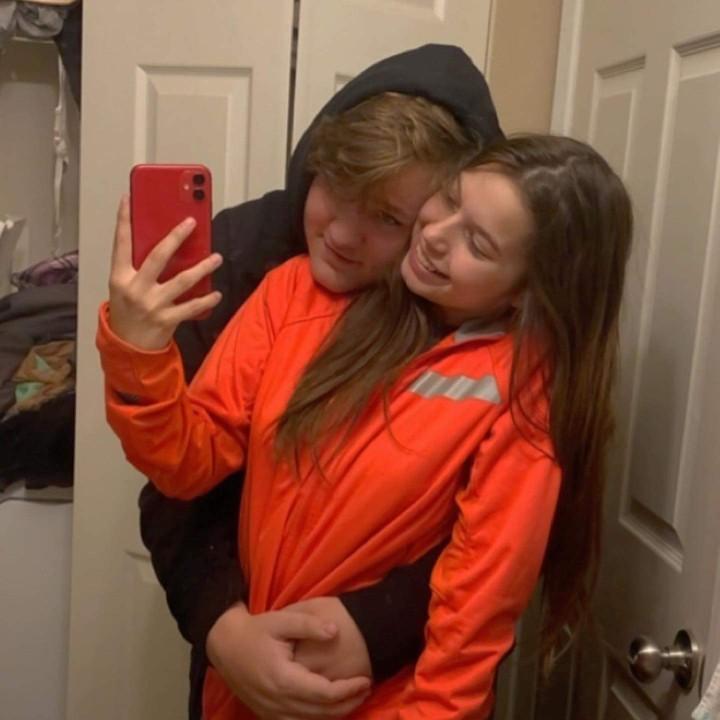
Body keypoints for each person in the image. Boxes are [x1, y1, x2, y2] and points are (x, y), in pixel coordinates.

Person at [98, 133, 634, 718]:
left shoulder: (523, 390)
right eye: (449, 199)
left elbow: (473, 617)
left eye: (477, 243)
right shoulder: (297, 291)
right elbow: (184, 464)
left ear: (526, 293)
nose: (436, 234)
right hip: (240, 697)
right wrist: (137, 349)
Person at [137, 44, 503, 719]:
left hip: (395, 681)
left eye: (388, 218)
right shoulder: (248, 262)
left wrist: (374, 629)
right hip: (236, 651)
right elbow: (177, 469)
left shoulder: (477, 326)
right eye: (335, 186)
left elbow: (494, 545)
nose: (341, 234)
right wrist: (224, 631)